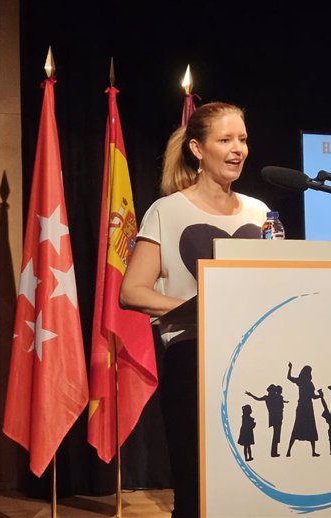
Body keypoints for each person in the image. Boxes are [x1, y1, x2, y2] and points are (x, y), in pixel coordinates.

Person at [120, 102, 270, 518]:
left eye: (242, 139)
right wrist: (199, 309)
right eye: (225, 140)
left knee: (252, 487)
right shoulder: (168, 212)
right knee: (198, 491)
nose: (238, 148)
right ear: (197, 149)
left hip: (256, 363)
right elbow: (131, 292)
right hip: (194, 362)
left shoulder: (260, 213)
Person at [285, 362, 322, 457]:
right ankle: (312, 451)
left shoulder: (301, 381)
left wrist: (290, 368)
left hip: (302, 406)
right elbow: (313, 396)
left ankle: (289, 451)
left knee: (298, 427)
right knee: (310, 428)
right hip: (307, 407)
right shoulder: (309, 384)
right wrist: (320, 396)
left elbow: (289, 377)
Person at [245, 384, 289, 457]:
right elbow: (258, 399)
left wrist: (251, 395)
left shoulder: (270, 397)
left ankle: (274, 452)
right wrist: (251, 395)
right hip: (276, 418)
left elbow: (258, 399)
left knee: (276, 435)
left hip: (276, 418)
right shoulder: (272, 397)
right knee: (276, 435)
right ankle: (274, 452)